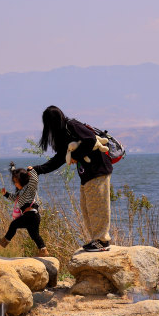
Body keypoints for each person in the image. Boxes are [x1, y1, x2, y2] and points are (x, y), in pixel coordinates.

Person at [32, 105, 113, 252]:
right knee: (87, 208)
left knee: (98, 207)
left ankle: (103, 241)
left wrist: (75, 156)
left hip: (98, 170)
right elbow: (59, 159)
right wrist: (38, 170)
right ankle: (97, 240)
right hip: (88, 174)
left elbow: (90, 140)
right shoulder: (63, 135)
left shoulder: (72, 126)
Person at [0, 163, 49, 257]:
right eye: (14, 182)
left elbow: (34, 180)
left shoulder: (29, 188)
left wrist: (31, 171)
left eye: (16, 182)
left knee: (14, 224)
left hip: (31, 215)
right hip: (32, 216)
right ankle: (43, 250)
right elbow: (14, 198)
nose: (15, 184)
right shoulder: (20, 192)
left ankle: (5, 241)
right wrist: (5, 194)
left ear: (22, 180)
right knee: (34, 235)